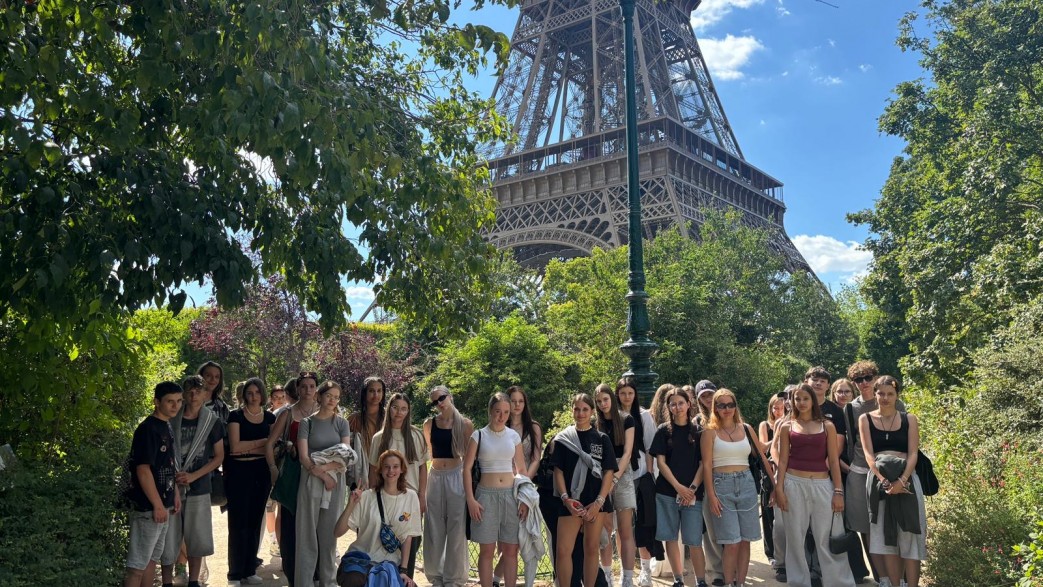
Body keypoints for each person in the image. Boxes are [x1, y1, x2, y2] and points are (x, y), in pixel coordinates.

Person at [775, 384, 855, 587]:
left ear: (813, 400)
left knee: (827, 537)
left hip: (822, 484)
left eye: (805, 398)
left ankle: (839, 583)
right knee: (795, 538)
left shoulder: (827, 425)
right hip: (793, 484)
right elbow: (782, 461)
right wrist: (779, 489)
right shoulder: (786, 426)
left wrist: (838, 491)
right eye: (797, 399)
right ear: (792, 401)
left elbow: (834, 461)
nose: (801, 403)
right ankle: (799, 582)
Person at [858, 376, 926, 587]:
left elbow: (913, 453)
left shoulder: (909, 419)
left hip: (907, 479)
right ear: (875, 394)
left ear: (897, 396)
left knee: (910, 537)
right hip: (879, 482)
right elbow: (869, 455)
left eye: (890, 394)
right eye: (881, 393)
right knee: (886, 538)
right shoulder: (865, 419)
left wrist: (902, 481)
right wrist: (884, 481)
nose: (885, 398)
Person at [701, 388, 772, 587]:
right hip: (721, 484)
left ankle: (739, 583)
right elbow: (706, 466)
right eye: (722, 405)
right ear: (715, 407)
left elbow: (762, 457)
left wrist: (775, 487)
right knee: (731, 542)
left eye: (730, 404)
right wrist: (711, 496)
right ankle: (728, 582)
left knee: (745, 540)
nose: (727, 409)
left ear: (735, 406)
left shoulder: (746, 428)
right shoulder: (709, 432)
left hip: (746, 483)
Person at [158, 375, 224, 587]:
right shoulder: (171, 418)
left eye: (199, 390)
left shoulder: (212, 421)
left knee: (197, 538)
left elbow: (219, 457)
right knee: (169, 537)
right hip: (170, 485)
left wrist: (194, 476)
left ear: (206, 394)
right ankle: (167, 581)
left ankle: (194, 581)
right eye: (190, 390)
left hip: (199, 486)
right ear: (184, 394)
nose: (194, 395)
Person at [844, 360, 904, 584]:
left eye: (868, 377)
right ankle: (881, 578)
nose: (864, 383)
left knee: (893, 526)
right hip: (861, 472)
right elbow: (851, 443)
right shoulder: (850, 408)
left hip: (892, 472)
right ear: (854, 383)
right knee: (866, 527)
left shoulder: (897, 403)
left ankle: (899, 578)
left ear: (876, 378)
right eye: (858, 379)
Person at [465, 392, 528, 587]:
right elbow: (466, 469)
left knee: (511, 550)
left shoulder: (513, 436)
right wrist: (471, 500)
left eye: (506, 412)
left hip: (511, 496)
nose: (502, 416)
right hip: (485, 497)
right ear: (490, 411)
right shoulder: (478, 435)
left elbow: (521, 469)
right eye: (498, 411)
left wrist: (524, 498)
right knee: (487, 551)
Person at [554, 393, 617, 587]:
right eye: (577, 409)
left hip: (595, 500)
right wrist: (566, 499)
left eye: (585, 409)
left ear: (592, 412)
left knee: (591, 548)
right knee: (563, 550)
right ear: (572, 410)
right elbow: (558, 471)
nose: (580, 413)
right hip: (571, 501)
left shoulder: (602, 438)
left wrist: (599, 502)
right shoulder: (563, 439)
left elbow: (608, 472)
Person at [124, 382, 183, 587]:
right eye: (170, 401)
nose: (175, 406)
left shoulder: (166, 425)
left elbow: (168, 464)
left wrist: (175, 493)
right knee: (137, 566)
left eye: (179, 401)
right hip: (148, 506)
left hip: (163, 503)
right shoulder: (148, 429)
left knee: (151, 560)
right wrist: (157, 504)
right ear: (157, 402)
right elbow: (143, 470)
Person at [336, 449, 422, 587]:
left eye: (395, 466)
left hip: (389, 563)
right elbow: (337, 532)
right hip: (362, 559)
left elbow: (408, 537)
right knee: (354, 580)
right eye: (386, 466)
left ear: (402, 470)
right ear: (380, 470)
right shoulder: (366, 497)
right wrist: (351, 504)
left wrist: (404, 571)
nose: (391, 471)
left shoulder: (410, 497)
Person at [648, 387, 707, 587]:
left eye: (681, 403)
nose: (677, 407)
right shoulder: (663, 431)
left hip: (693, 495)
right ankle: (678, 579)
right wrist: (678, 487)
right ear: (668, 407)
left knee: (694, 540)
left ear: (689, 404)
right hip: (667, 492)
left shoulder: (698, 431)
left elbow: (703, 464)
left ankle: (700, 581)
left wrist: (691, 488)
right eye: (673, 404)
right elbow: (661, 462)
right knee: (670, 538)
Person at [296, 380, 352, 587]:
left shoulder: (342, 423)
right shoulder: (306, 423)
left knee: (329, 535)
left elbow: (346, 455)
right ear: (319, 396)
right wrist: (321, 474)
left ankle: (328, 581)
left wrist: (326, 470)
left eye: (336, 397)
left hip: (335, 482)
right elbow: (303, 456)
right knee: (306, 534)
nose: (332, 400)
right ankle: (304, 582)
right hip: (311, 480)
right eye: (329, 396)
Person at [266, 371, 319, 585]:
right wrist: (273, 469)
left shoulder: (325, 410)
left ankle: (315, 574)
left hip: (318, 473)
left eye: (312, 386)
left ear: (317, 388)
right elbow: (270, 443)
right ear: (297, 388)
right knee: (290, 523)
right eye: (303, 386)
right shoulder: (287, 413)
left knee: (315, 524)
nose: (307, 390)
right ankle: (292, 573)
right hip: (293, 474)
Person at [370, 393, 430, 577]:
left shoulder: (416, 435)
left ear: (408, 411)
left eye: (404, 409)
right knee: (386, 541)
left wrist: (422, 496)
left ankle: (406, 578)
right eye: (395, 408)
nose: (399, 412)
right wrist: (372, 497)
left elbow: (422, 468)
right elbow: (373, 470)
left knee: (411, 543)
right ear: (389, 409)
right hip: (386, 497)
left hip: (410, 498)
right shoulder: (379, 437)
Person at [225, 377, 276, 585]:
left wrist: (252, 446)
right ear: (244, 395)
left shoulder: (270, 417)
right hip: (239, 473)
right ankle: (235, 573)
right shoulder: (235, 416)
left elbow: (272, 448)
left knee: (255, 522)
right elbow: (235, 448)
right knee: (238, 523)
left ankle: (249, 569)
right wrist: (263, 442)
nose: (253, 397)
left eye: (256, 392)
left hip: (261, 472)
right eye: (249, 393)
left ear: (262, 394)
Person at [422, 385, 474, 587]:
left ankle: (454, 578)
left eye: (442, 398)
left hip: (456, 476)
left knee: (456, 528)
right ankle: (436, 576)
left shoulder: (465, 424)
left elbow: (469, 458)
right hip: (435, 476)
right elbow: (429, 452)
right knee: (433, 527)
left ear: (450, 396)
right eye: (435, 401)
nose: (440, 403)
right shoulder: (429, 424)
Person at [493, 386, 543, 587]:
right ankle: (495, 579)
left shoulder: (534, 427)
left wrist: (524, 482)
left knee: (522, 536)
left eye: (520, 401)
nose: (517, 405)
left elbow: (536, 458)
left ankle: (500, 579)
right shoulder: (500, 426)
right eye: (513, 401)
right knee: (508, 540)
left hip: (525, 487)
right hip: (502, 487)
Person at [616, 378, 659, 587]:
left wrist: (649, 474)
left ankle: (645, 570)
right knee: (622, 526)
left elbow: (650, 447)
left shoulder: (644, 416)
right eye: (623, 393)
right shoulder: (613, 417)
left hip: (641, 473)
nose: (627, 397)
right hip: (620, 475)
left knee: (643, 524)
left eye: (630, 393)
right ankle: (625, 571)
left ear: (635, 394)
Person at [594, 383, 637, 587]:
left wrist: (615, 479)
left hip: (623, 473)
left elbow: (627, 453)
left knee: (625, 530)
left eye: (605, 399)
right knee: (605, 530)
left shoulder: (626, 419)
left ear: (612, 398)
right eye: (599, 401)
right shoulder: (595, 423)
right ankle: (607, 576)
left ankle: (627, 578)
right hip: (602, 474)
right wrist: (607, 481)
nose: (603, 404)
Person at [692, 380, 725, 587]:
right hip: (706, 479)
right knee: (711, 530)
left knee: (730, 528)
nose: (708, 398)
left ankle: (732, 568)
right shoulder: (696, 422)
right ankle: (717, 571)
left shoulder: (728, 415)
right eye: (703, 396)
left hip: (729, 476)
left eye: (710, 394)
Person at [758, 392, 786, 572]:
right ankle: (771, 554)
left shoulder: (790, 423)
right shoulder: (765, 425)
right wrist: (776, 434)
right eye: (775, 408)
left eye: (781, 408)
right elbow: (762, 447)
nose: (778, 411)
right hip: (768, 473)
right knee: (768, 514)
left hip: (784, 472)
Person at [266, 381, 291, 556]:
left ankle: (281, 542)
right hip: (273, 465)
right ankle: (273, 539)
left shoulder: (290, 414)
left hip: (286, 466)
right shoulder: (269, 417)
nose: (280, 400)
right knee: (270, 506)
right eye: (276, 397)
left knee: (282, 507)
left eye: (283, 397)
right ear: (271, 399)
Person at [348, 376, 386, 490]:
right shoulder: (354, 419)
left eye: (379, 391)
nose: (376, 395)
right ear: (364, 393)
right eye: (371, 391)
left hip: (386, 471)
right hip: (361, 473)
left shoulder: (389, 417)